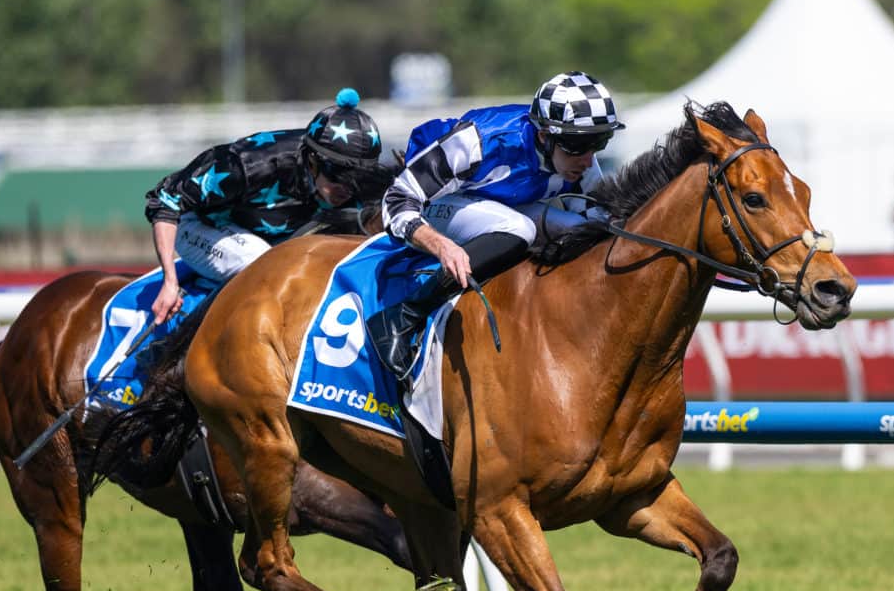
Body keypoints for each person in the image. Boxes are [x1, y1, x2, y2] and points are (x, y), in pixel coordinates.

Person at [365, 71, 626, 378]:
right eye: (576, 145)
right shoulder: (478, 142)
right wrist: (441, 244)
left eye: (599, 142)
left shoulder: (578, 158)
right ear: (543, 136)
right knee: (520, 230)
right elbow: (396, 199)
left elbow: (599, 217)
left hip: (502, 208)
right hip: (437, 206)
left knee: (584, 226)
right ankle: (402, 317)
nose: (587, 158)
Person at [144, 89, 385, 324]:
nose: (348, 187)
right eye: (339, 175)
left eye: (358, 177)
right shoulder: (250, 164)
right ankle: (175, 346)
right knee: (266, 264)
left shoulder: (346, 179)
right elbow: (164, 200)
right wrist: (170, 281)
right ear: (312, 161)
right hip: (198, 222)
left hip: (265, 232)